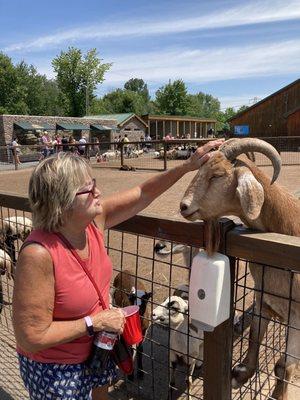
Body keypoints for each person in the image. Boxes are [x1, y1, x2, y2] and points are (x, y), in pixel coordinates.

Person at [12, 139, 223, 400]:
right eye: (88, 190)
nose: (98, 193)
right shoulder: (38, 254)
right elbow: (31, 336)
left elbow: (143, 193)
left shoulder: (92, 223)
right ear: (61, 201)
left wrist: (188, 166)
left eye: (95, 185)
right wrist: (95, 321)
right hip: (58, 370)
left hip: (99, 352)